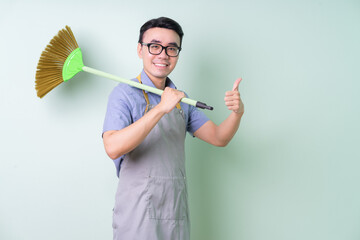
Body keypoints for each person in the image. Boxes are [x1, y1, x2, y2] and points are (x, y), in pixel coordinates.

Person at [102, 17, 244, 240]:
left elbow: (219, 137)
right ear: (140, 50)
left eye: (171, 48)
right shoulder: (124, 94)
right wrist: (160, 108)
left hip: (174, 212)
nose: (163, 55)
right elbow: (112, 147)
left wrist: (237, 114)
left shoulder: (181, 100)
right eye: (155, 46)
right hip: (136, 215)